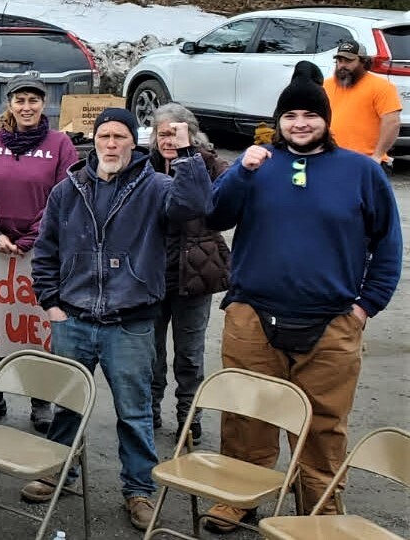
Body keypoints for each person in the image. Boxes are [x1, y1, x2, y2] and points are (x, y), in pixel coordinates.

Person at [201, 62, 400, 530]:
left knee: (323, 426)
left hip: (331, 321)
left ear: (325, 119)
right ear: (279, 121)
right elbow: (214, 215)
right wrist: (241, 173)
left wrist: (366, 305)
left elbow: (387, 242)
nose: (300, 123)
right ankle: (239, 496)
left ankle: (320, 509)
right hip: (252, 315)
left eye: (310, 115)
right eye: (290, 115)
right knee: (248, 413)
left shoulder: (360, 171)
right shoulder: (257, 166)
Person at [25, 108, 208, 530]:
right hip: (74, 317)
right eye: (104, 136)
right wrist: (50, 302)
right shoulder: (68, 188)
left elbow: (196, 203)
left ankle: (139, 489)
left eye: (120, 137)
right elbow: (46, 249)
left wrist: (185, 152)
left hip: (130, 321)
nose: (111, 144)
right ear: (95, 140)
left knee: (134, 411)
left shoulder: (157, 186)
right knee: (68, 404)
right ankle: (60, 471)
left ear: (133, 142)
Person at [0, 74, 79, 429]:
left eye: (33, 100)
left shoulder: (60, 144)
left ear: (43, 104)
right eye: (20, 101)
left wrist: (33, 236)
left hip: (43, 250)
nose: (27, 107)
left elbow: (68, 194)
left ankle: (40, 398)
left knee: (36, 326)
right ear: (10, 104)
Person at [147, 104, 230, 442]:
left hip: (196, 272)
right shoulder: (143, 165)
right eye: (162, 133)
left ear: (191, 134)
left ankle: (188, 415)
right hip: (152, 272)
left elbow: (221, 203)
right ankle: (148, 409)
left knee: (190, 352)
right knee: (149, 351)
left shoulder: (210, 165)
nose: (168, 140)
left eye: (176, 133)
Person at [324, 39, 402, 168]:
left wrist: (377, 156)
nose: (342, 65)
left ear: (363, 62)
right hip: (331, 160)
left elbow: (392, 122)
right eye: (339, 60)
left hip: (367, 162)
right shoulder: (326, 85)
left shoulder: (382, 87)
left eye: (349, 61)